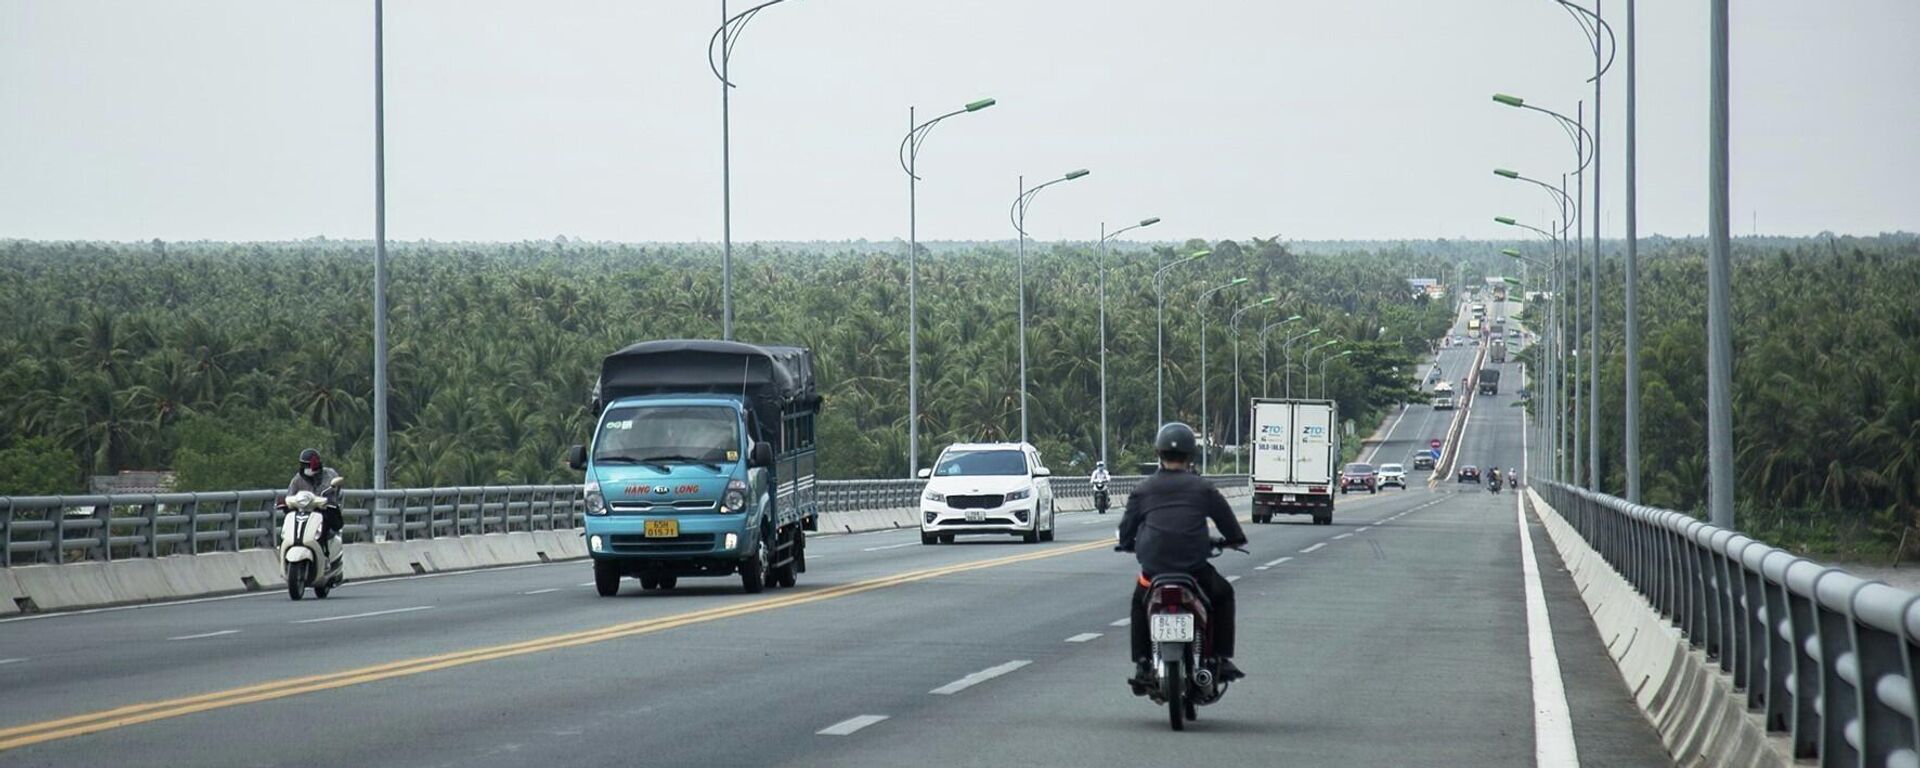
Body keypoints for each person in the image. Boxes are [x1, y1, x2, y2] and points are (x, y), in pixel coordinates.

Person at [1117, 422, 1249, 692]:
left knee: (1139, 604)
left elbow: (1126, 530)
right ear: (1191, 455)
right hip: (1194, 570)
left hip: (1154, 571)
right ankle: (1219, 658)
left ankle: (1143, 663)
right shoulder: (1203, 488)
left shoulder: (1143, 489)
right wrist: (1235, 540)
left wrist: (1127, 544)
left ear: (1158, 452)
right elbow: (1228, 523)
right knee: (1223, 595)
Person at [282, 448, 344, 547]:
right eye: (305, 466)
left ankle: (326, 549)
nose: (309, 469)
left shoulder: (330, 475)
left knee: (330, 523)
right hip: (303, 515)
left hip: (323, 513)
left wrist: (328, 501)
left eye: (311, 466)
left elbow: (336, 494)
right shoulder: (297, 480)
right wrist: (287, 503)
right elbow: (290, 496)